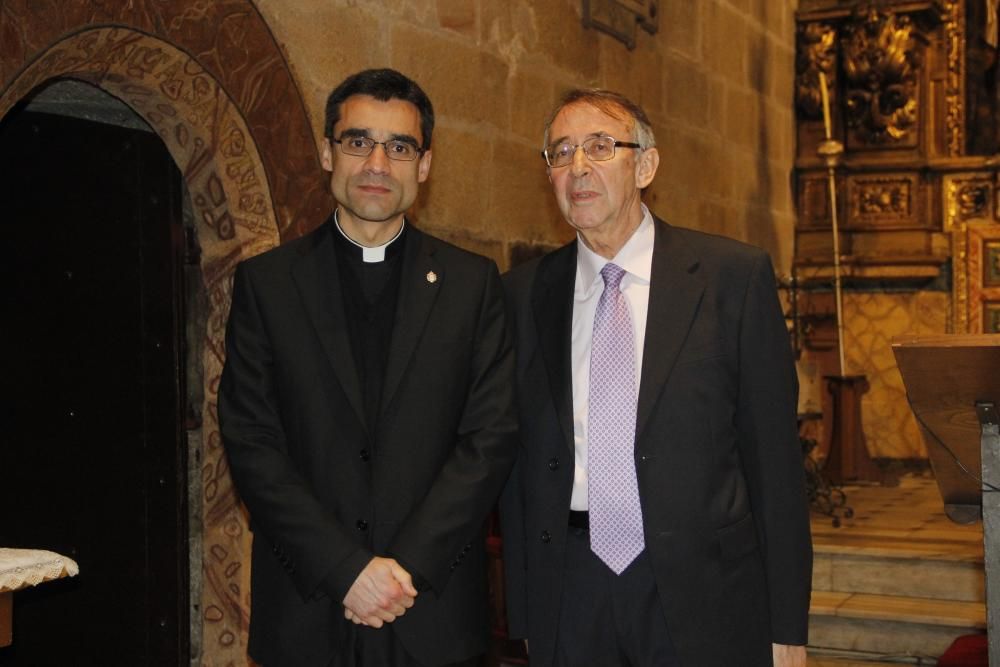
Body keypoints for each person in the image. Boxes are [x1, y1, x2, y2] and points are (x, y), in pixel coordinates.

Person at [500, 88, 813, 667]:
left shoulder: (730, 278)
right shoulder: (521, 295)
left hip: (705, 588)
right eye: (561, 152)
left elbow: (774, 464)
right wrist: (526, 612)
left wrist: (787, 625)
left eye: (600, 146)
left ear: (645, 165)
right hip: (572, 589)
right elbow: (516, 468)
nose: (578, 167)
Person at [219, 68, 517, 667]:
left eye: (399, 147)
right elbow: (252, 442)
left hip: (428, 608)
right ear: (328, 153)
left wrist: (403, 568)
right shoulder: (268, 285)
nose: (378, 163)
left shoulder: (472, 285)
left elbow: (488, 439)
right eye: (358, 141)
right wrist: (344, 569)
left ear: (423, 165)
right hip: (307, 609)